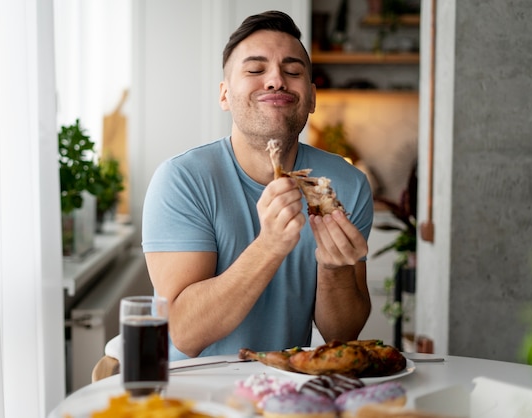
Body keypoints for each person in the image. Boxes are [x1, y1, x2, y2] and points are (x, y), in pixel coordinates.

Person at [142, 10, 373, 361]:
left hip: (287, 391)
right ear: (224, 95)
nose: (276, 80)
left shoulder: (346, 184)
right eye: (255, 70)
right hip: (191, 397)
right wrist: (269, 246)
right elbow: (183, 334)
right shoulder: (182, 180)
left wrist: (333, 267)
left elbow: (342, 334)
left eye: (293, 71)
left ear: (311, 98)